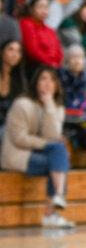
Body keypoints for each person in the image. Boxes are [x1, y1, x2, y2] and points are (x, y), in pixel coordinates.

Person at [0, 66, 74, 228]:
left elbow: (52, 135)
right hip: (17, 155)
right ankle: (54, 208)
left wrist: (48, 106)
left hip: (41, 153)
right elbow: (19, 138)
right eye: (43, 79)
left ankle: (56, 202)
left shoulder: (57, 108)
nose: (48, 83)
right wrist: (47, 143)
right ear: (36, 83)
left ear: (57, 85)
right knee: (60, 160)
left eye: (52, 79)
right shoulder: (22, 104)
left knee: (59, 156)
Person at [19, 0, 63, 74]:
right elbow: (33, 50)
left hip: (52, 67)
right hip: (35, 67)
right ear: (31, 9)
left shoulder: (49, 30)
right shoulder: (26, 24)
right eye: (40, 7)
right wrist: (50, 63)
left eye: (46, 7)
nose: (44, 11)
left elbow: (58, 50)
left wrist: (56, 63)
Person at [0, 40, 27, 140]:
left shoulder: (19, 80)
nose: (15, 54)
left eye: (18, 51)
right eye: (11, 49)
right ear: (2, 52)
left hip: (11, 128)